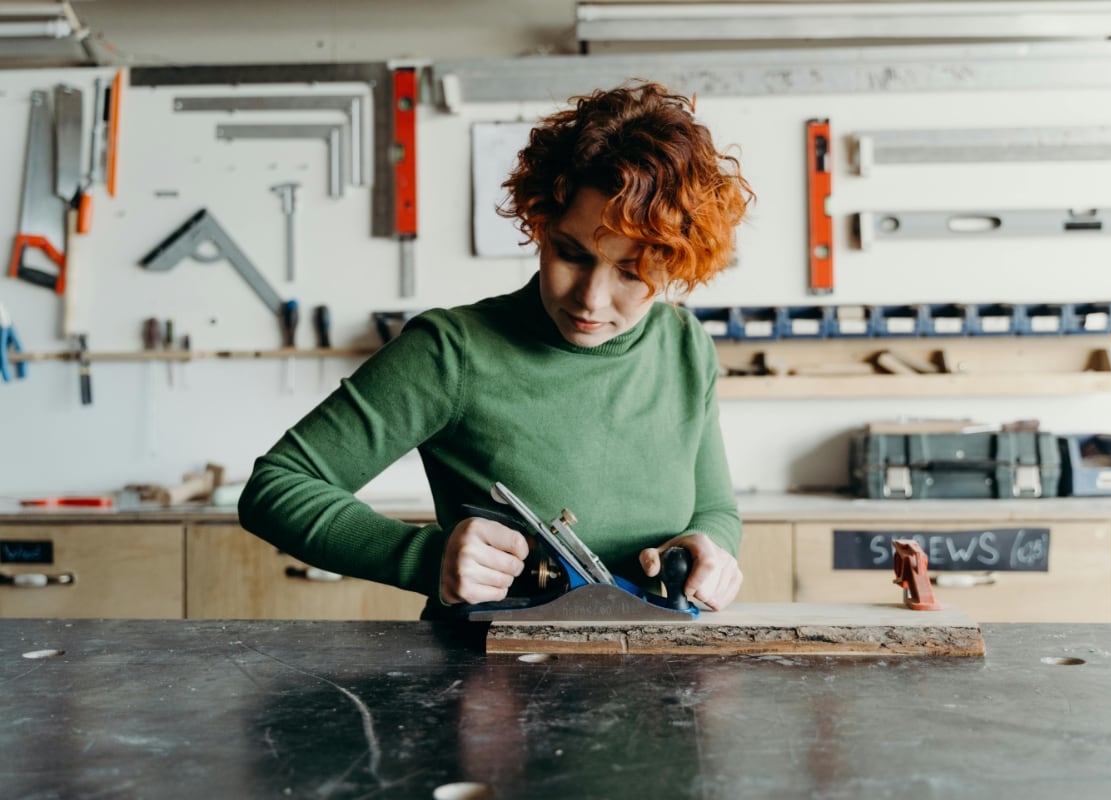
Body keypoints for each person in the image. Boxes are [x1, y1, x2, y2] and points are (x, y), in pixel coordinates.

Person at [238, 81, 755, 618]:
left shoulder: (685, 343)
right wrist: (424, 558)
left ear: (677, 263)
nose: (590, 298)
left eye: (632, 272)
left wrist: (709, 551)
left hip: (655, 676)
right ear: (541, 223)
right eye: (570, 254)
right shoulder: (451, 352)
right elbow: (276, 487)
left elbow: (715, 510)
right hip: (493, 682)